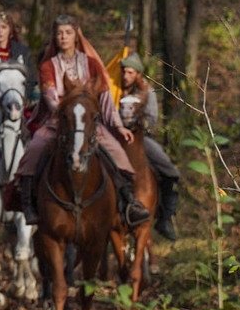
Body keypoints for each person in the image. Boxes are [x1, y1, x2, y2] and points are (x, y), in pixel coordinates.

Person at [13, 14, 150, 228]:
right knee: (35, 148)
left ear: (76, 35)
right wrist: (67, 113)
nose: (63, 37)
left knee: (118, 154)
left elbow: (105, 99)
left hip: (89, 124)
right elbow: (50, 96)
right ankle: (28, 202)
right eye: (59, 33)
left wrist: (118, 126)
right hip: (58, 121)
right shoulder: (48, 66)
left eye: (68, 32)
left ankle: (129, 202)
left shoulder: (92, 64)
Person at [116, 56, 180, 239]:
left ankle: (165, 218)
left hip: (141, 138)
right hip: (116, 137)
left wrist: (137, 123)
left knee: (170, 171)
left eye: (130, 72)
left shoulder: (147, 91)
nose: (125, 76)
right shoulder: (115, 90)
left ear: (137, 74)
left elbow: (152, 119)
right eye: (124, 72)